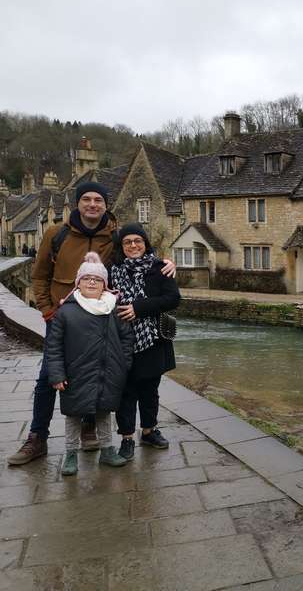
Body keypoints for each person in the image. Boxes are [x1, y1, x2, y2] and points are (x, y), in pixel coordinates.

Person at [7, 181, 175, 465]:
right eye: (86, 199)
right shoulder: (55, 233)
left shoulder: (114, 236)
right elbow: (39, 276)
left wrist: (168, 263)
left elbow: (140, 252)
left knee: (96, 372)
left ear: (106, 205)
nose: (93, 204)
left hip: (101, 319)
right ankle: (37, 438)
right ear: (77, 203)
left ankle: (88, 427)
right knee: (49, 376)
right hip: (64, 318)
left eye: (99, 199)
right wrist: (49, 311)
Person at [48, 252, 133, 475]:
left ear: (105, 284)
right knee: (74, 415)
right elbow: (53, 346)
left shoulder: (113, 308)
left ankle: (107, 450)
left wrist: (124, 365)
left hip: (108, 372)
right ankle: (71, 455)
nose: (92, 282)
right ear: (78, 283)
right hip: (75, 373)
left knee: (105, 414)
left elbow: (126, 338)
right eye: (86, 279)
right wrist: (56, 374)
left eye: (97, 279)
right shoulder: (66, 311)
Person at [111, 223, 180, 460]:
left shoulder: (160, 268)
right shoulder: (113, 270)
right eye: (127, 242)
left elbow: (173, 299)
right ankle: (127, 438)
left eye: (137, 241)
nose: (133, 245)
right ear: (121, 246)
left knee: (150, 389)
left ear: (145, 243)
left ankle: (149, 431)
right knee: (126, 392)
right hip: (121, 340)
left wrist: (138, 308)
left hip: (152, 339)